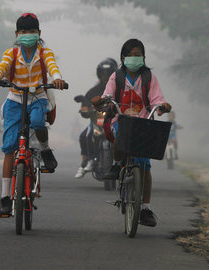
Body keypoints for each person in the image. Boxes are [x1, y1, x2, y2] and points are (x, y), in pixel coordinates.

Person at [0, 13, 67, 217]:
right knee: (9, 147)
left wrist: (57, 79)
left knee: (37, 122)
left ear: (38, 33)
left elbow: (52, 68)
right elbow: (2, 66)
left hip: (38, 97)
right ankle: (5, 198)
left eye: (31, 31)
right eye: (23, 32)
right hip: (15, 99)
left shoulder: (44, 53)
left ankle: (45, 150)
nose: (27, 35)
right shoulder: (12, 53)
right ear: (17, 34)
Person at [92, 38, 171, 227]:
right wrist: (101, 102)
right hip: (119, 120)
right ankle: (117, 164)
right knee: (120, 136)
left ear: (143, 57)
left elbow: (157, 99)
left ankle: (145, 207)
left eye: (138, 55)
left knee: (145, 167)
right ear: (123, 57)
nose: (134, 58)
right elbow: (107, 97)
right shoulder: (116, 77)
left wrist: (163, 106)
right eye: (131, 55)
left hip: (143, 122)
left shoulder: (149, 77)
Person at [75, 58, 118, 178]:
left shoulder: (120, 89)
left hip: (115, 122)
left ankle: (126, 163)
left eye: (109, 74)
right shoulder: (92, 91)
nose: (106, 77)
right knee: (85, 135)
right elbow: (85, 105)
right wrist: (84, 109)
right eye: (103, 74)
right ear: (99, 74)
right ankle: (87, 160)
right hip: (97, 122)